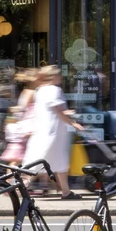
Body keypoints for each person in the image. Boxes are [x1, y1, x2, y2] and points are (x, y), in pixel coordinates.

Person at [23, 63, 84, 195]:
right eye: (59, 74)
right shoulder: (54, 90)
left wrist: (66, 113)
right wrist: (73, 123)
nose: (61, 77)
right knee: (45, 161)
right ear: (54, 76)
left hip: (43, 130)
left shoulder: (40, 90)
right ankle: (22, 186)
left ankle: (66, 191)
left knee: (54, 161)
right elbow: (58, 111)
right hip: (53, 132)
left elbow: (52, 109)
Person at [0, 70, 39, 166]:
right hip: (29, 125)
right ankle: (11, 179)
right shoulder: (31, 92)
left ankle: (13, 179)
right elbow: (22, 108)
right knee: (19, 158)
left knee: (20, 157)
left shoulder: (27, 91)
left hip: (27, 124)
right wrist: (14, 110)